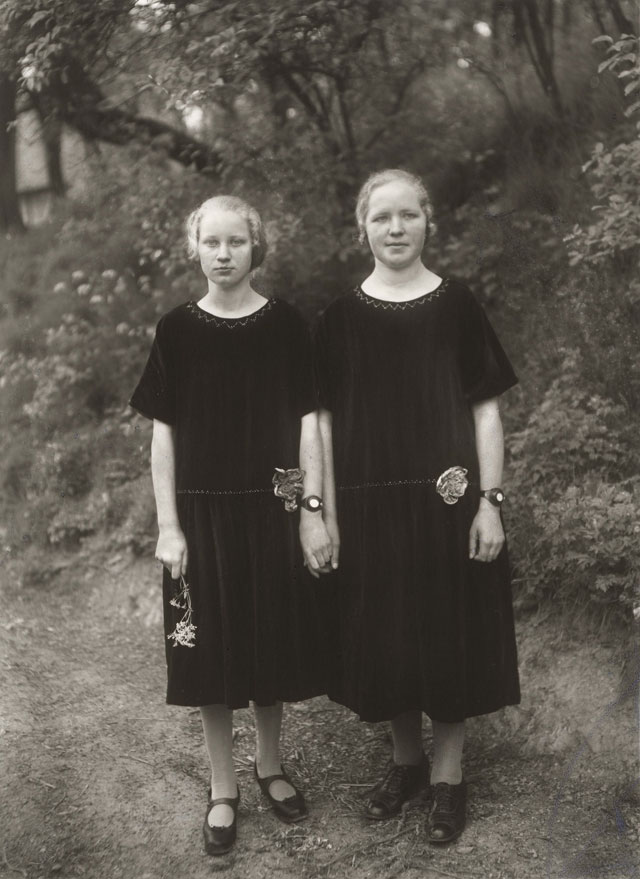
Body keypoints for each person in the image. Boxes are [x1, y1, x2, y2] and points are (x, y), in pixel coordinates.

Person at [314, 169, 520, 844]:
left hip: (448, 505)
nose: (396, 228)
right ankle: (406, 763)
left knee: (446, 631)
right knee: (388, 634)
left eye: (408, 215)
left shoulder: (458, 305)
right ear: (362, 228)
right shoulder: (339, 320)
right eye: (382, 218)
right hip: (370, 506)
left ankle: (449, 776)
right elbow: (317, 423)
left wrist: (491, 502)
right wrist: (322, 512)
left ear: (430, 222)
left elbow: (487, 411)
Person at [130, 195, 332, 856]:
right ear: (196, 248)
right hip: (200, 513)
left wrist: (309, 512)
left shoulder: (286, 326)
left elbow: (308, 424)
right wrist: (169, 525)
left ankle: (270, 765)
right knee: (210, 653)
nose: (223, 254)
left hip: (270, 508)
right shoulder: (176, 331)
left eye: (235, 242)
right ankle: (223, 786)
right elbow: (164, 436)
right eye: (211, 242)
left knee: (268, 643)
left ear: (255, 247)